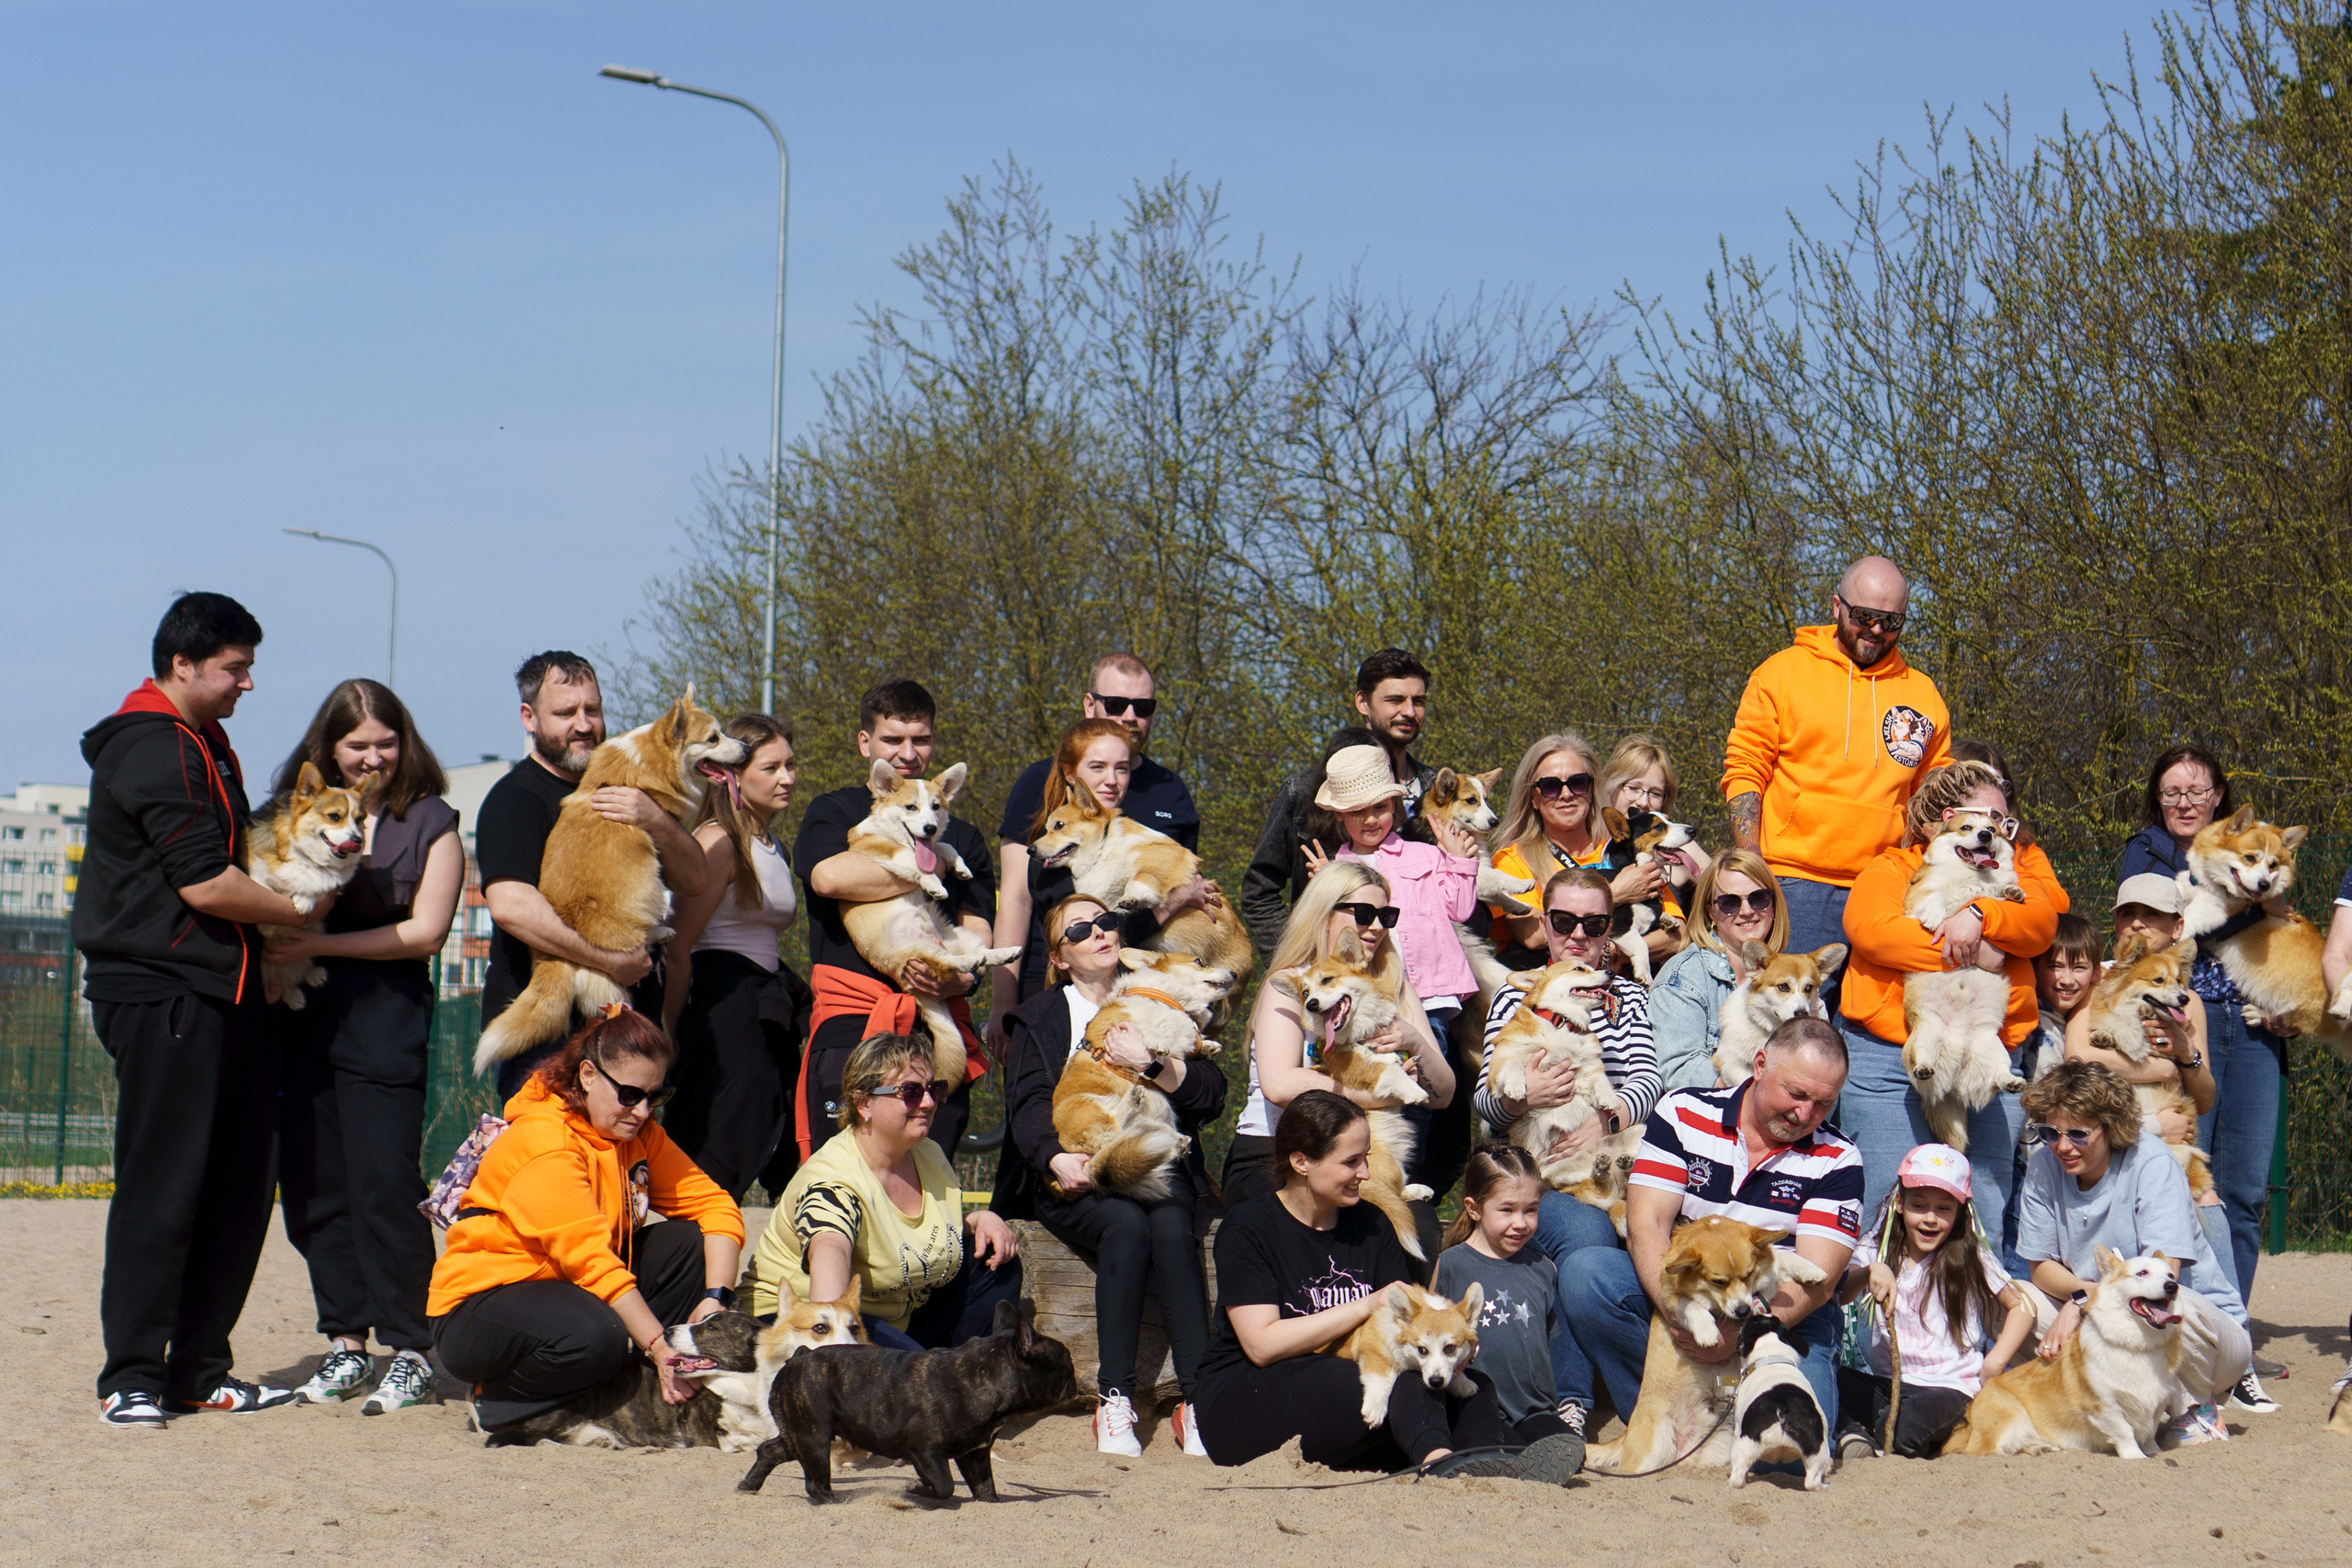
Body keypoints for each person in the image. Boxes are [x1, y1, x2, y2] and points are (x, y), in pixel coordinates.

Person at [75, 592, 311, 1427]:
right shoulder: (153, 746)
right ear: (183, 662)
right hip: (165, 989)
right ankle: (131, 1375)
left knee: (240, 1185)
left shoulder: (206, 743)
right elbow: (206, 881)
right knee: (163, 1185)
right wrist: (297, 912)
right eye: (235, 667)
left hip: (230, 992)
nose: (248, 681)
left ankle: (200, 1366)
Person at [1192, 1092, 1576, 1481]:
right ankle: (1443, 1462)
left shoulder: (1373, 1224)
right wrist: (1364, 1306)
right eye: (1351, 1161)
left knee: (1470, 1384)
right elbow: (1262, 1345)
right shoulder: (1250, 1227)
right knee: (1383, 1381)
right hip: (1245, 1398)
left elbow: (1405, 1330)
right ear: (1301, 1161)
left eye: (1367, 1157)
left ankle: (1497, 1460)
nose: (1366, 1174)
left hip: (1338, 1399)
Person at [264, 679, 462, 1415]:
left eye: (386, 742)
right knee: (315, 1190)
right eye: (357, 745)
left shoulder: (432, 821)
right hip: (304, 1017)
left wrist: (321, 940)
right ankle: (346, 1343)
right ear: (329, 750)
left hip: (386, 1018)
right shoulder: (298, 809)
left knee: (383, 1185)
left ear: (405, 743)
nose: (374, 757)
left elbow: (427, 932)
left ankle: (412, 1344)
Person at [427, 1009, 746, 1434]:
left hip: (569, 1289)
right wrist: (658, 1347)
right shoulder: (546, 1141)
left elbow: (715, 1205)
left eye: (657, 1097)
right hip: (480, 1309)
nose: (643, 1111)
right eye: (630, 1095)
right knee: (598, 1337)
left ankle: (629, 1385)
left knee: (685, 1244)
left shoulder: (638, 1133)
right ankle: (500, 1400)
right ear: (588, 1074)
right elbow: (592, 1262)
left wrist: (714, 1298)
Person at [997, 895, 1227, 1457]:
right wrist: (1054, 1156)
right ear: (1058, 957)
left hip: (1157, 1162)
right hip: (1076, 1168)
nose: (1100, 932)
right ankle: (1115, 1397)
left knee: (1174, 1227)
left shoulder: (1159, 995)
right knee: (1128, 1226)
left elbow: (1213, 1094)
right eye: (1081, 929)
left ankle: (1197, 1401)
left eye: (1107, 922)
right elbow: (1025, 1103)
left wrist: (1149, 1064)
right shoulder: (1039, 1018)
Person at [1559, 1018, 1863, 1431]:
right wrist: (1680, 1313)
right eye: (1795, 1093)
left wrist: (1739, 1337)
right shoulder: (1684, 1112)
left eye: (1823, 1104)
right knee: (1588, 1275)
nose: (1804, 1113)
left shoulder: (1839, 1158)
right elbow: (1647, 1223)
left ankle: (1727, 1406)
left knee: (1792, 1452)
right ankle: (1667, 1416)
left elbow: (1820, 1279)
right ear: (1759, 1065)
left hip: (1785, 1314)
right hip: (1693, 1296)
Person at [1472, 865, 1661, 1442]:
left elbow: (1649, 1082)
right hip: (1534, 1175)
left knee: (1595, 1228)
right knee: (1584, 1236)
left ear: (1610, 930)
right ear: (1545, 926)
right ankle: (1573, 1402)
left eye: (1595, 923)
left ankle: (1600, 1400)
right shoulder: (1517, 992)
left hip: (1604, 1158)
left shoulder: (1626, 996)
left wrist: (1604, 1117)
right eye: (1564, 921)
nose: (1578, 935)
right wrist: (1522, 1096)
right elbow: (1486, 1101)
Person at [1835, 760, 2064, 1223]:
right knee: (1887, 1204)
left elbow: (2041, 925)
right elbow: (1873, 931)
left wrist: (1983, 917)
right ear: (1938, 819)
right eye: (1977, 818)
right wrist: (1976, 952)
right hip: (1891, 1053)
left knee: (1982, 1213)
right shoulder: (1894, 865)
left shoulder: (2016, 872)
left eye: (2000, 823)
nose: (1990, 832)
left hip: (1989, 1045)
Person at [476, 651, 708, 1099]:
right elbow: (510, 906)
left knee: (623, 1171)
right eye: (565, 713)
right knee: (553, 1164)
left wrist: (655, 818)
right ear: (529, 717)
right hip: (551, 1041)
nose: (584, 724)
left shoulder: (626, 783)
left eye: (593, 710)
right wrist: (608, 961)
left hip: (626, 1039)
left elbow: (695, 880)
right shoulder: (515, 799)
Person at [2112, 744, 2286, 1321]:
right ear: (2157, 798)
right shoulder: (2146, 853)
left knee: (2245, 1192)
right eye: (2172, 792)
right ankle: (2185, 1318)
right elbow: (2139, 937)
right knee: (2181, 1174)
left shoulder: (2255, 850)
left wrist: (2288, 1001)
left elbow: (2281, 935)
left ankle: (2232, 1327)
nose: (2185, 803)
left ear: (2219, 798)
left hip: (2257, 1024)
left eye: (2197, 791)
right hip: (2182, 1022)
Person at [794, 680, 996, 1162]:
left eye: (921, 739)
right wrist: (932, 863)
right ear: (867, 744)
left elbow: (980, 934)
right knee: (843, 1184)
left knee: (929, 1190)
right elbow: (829, 877)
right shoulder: (832, 809)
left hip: (934, 1030)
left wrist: (959, 978)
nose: (908, 753)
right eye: (893, 739)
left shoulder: (962, 834)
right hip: (852, 1027)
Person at [1722, 555, 1951, 979]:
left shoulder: (1923, 695)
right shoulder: (1781, 674)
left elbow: (1937, 801)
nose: (1877, 629)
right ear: (1836, 606)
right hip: (1792, 883)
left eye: (1891, 620)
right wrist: (1752, 869)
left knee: (1870, 1031)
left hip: (1885, 886)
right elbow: (1745, 769)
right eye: (1864, 616)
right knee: (1793, 1028)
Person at [2013, 1060, 2255, 1442]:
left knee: (2169, 1307)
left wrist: (2080, 1303)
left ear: (2111, 1128)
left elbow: (2164, 1276)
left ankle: (2195, 1408)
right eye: (2049, 1131)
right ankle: (2074, 1405)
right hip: (2106, 1318)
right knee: (2014, 1300)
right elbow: (2040, 1268)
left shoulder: (2152, 1162)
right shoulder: (2044, 1166)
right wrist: (2083, 1299)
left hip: (2205, 1336)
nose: (2061, 1146)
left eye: (2078, 1134)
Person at [1221, 862, 1456, 1246]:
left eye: (1386, 915)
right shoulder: (1291, 984)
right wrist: (1379, 1094)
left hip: (1356, 1159)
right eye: (1364, 914)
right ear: (1325, 914)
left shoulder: (1394, 984)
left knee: (1422, 1225)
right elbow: (1280, 1085)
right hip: (1275, 1153)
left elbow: (1442, 1093)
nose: (1377, 926)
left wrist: (1413, 1039)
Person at [745, 1032, 1022, 1349]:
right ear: (864, 1103)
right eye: (911, 1092)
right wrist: (837, 1353)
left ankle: (977, 1372)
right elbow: (830, 1250)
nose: (929, 1103)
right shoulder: (834, 1179)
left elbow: (922, 1230)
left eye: (935, 1089)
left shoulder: (928, 1154)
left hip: (895, 1318)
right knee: (917, 1377)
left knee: (996, 1262)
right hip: (804, 1326)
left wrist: (979, 1219)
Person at [2061, 876, 2246, 1332]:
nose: (2138, 924)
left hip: (2170, 1145)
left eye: (2153, 916)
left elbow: (2203, 1100)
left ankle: (2228, 1336)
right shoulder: (2101, 980)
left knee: (2205, 1200)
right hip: (2118, 1139)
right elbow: (2077, 1059)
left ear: (2178, 926)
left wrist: (2186, 1055)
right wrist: (2163, 1073)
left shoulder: (2186, 1002)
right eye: (2128, 914)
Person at [993, 653, 1200, 1023]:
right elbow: (1015, 901)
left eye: (1143, 706)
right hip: (1049, 983)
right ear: (1090, 705)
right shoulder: (1037, 784)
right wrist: (1003, 1004)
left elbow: (1184, 893)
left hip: (1145, 987)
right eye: (1117, 704)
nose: (1129, 716)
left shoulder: (1171, 791)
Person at [657, 713, 806, 1200]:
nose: (788, 777)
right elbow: (678, 947)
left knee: (769, 1139)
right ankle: (694, 1271)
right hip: (722, 1012)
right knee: (716, 1152)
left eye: (790, 765)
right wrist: (669, 1031)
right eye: (771, 768)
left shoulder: (773, 845)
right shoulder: (717, 840)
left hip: (762, 1011)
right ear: (731, 772)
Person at [1833, 1143, 2034, 1460]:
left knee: (1901, 1429)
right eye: (1919, 1205)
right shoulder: (1878, 1248)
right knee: (1828, 1378)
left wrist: (1996, 1362)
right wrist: (1871, 1270)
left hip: (1950, 1389)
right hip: (1887, 1383)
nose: (1930, 1219)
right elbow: (1841, 1292)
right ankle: (1855, 1432)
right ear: (1899, 1203)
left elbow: (2021, 1305)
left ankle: (1872, 1433)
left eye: (1944, 1209)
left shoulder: (1971, 1255)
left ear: (1961, 1211)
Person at [1242, 650, 1438, 953]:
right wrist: (1299, 959)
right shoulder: (1304, 790)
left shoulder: (1438, 792)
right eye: (1395, 700)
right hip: (1335, 974)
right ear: (1363, 702)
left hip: (1430, 980)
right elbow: (1260, 891)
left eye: (1419, 701)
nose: (1409, 711)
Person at [1432, 1145, 1585, 1473]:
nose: (1521, 1223)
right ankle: (1500, 1459)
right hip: (1475, 1403)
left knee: (1568, 1450)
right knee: (1498, 1451)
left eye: (1531, 1210)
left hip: (1535, 1408)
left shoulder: (1543, 1266)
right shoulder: (1452, 1265)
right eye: (1507, 1210)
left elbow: (1551, 1341)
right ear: (1474, 1209)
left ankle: (1520, 1462)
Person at [1312, 742, 1482, 1032]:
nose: (1370, 819)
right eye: (1357, 811)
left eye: (1379, 807)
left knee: (1430, 1069)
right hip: (1369, 996)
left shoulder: (1425, 854)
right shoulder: (1336, 869)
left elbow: (1461, 910)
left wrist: (1458, 861)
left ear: (1393, 804)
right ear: (1339, 814)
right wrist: (1325, 886)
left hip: (1430, 996)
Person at [1487, 732, 1664, 966]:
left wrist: (1613, 954)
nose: (1567, 794)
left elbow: (1676, 935)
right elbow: (1531, 935)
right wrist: (1614, 894)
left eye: (1578, 783)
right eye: (1550, 786)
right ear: (1533, 798)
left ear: (1591, 790)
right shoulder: (1512, 860)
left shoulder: (1623, 849)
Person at [1648, 849, 1792, 1091]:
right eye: (1729, 903)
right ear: (1711, 912)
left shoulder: (1797, 972)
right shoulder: (1683, 978)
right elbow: (1681, 1071)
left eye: (1758, 898)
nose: (1746, 911)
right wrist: (1764, 1095)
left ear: (1774, 906)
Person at [1595, 733, 1705, 968]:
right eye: (1633, 787)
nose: (1643, 802)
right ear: (1611, 786)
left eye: (1655, 793)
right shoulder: (1588, 848)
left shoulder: (1672, 856)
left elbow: (1677, 938)